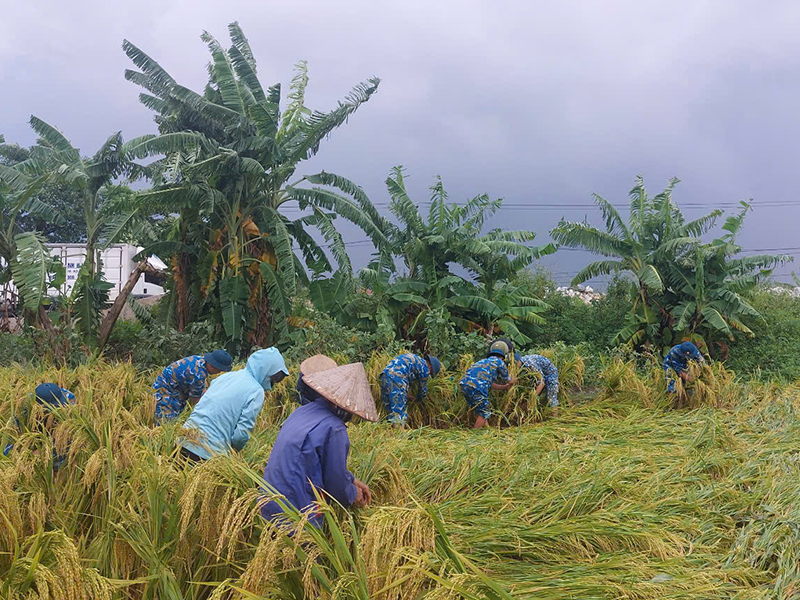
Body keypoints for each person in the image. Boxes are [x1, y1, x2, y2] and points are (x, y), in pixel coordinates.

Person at [260, 362, 377, 528]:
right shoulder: (334, 428)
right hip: (295, 513)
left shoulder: (301, 412)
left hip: (267, 501)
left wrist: (352, 480)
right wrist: (353, 495)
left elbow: (314, 463)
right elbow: (335, 484)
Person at [177, 347, 288, 461]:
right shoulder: (256, 391)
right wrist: (236, 451)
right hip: (207, 452)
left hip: (184, 439)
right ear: (265, 371)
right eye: (274, 377)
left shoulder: (226, 377)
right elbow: (241, 434)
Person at [3, 383, 76, 470]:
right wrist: (18, 458)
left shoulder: (69, 399)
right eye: (49, 409)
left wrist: (43, 451)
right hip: (36, 431)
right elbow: (9, 436)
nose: (53, 411)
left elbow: (67, 437)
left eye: (56, 408)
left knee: (61, 454)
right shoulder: (24, 409)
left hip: (57, 433)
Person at [153, 350, 233, 421]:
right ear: (212, 366)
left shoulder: (200, 360)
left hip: (177, 387)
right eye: (219, 370)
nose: (219, 372)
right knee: (166, 420)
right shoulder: (197, 374)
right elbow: (196, 400)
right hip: (165, 389)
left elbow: (202, 389)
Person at [460, 341, 517, 429]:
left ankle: (487, 430)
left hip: (464, 385)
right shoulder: (499, 362)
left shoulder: (482, 362)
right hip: (477, 387)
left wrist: (503, 387)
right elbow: (508, 380)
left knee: (481, 411)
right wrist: (516, 380)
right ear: (503, 356)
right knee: (485, 412)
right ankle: (473, 436)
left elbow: (490, 384)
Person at [380, 353, 442, 426]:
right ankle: (400, 434)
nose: (429, 375)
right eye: (431, 373)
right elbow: (422, 389)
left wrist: (407, 395)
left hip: (385, 376)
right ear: (430, 367)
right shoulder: (425, 369)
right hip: (397, 378)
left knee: (390, 409)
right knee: (399, 413)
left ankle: (390, 433)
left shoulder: (416, 360)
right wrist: (419, 399)